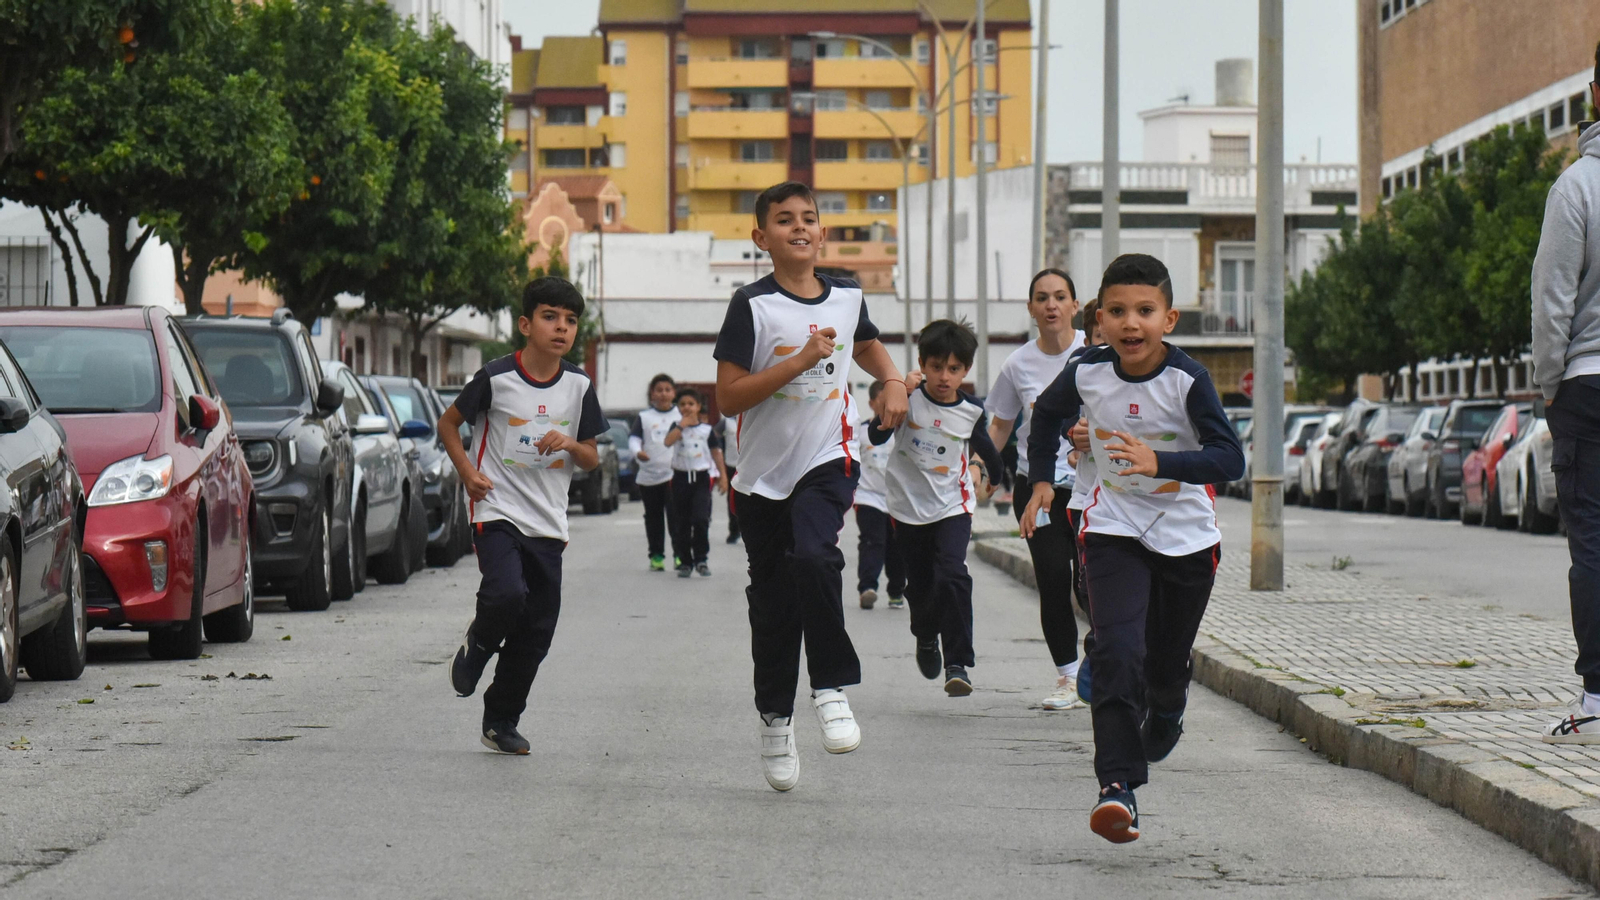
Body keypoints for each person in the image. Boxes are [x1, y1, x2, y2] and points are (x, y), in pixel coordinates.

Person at [1020, 254, 1244, 843]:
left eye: (1144, 311)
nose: (1130, 324)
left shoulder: (1188, 380)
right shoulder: (1088, 370)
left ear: (1167, 318)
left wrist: (1160, 461)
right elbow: (1045, 417)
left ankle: (1168, 709)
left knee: (1164, 664)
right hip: (1113, 527)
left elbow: (1230, 458)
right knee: (1118, 648)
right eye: (1117, 311)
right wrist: (1042, 478)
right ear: (1100, 316)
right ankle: (1116, 787)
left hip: (1187, 539)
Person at [714, 180, 910, 792]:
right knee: (772, 605)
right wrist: (797, 362)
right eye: (783, 219)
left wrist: (896, 382)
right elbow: (727, 396)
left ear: (822, 232)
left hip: (828, 456)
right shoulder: (752, 305)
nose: (799, 227)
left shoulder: (847, 296)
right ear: (761, 237)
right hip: (761, 477)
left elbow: (869, 346)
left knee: (816, 556)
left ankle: (830, 686)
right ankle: (775, 719)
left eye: (809, 218)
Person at [441, 276, 607, 755]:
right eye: (550, 317)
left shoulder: (578, 386)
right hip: (496, 508)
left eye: (570, 321)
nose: (561, 328)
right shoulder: (495, 378)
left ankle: (501, 720)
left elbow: (591, 457)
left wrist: (571, 443)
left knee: (536, 630)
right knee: (505, 593)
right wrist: (468, 472)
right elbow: (448, 423)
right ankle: (479, 642)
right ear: (526, 324)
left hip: (548, 523)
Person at [870, 320, 1003, 697]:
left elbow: (989, 451)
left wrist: (994, 476)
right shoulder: (907, 399)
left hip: (952, 505)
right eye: (936, 367)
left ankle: (957, 663)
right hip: (907, 508)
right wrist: (898, 393)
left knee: (951, 575)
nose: (945, 377)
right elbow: (874, 435)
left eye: (955, 369)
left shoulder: (970, 411)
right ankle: (926, 636)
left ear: (966, 369)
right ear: (922, 364)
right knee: (923, 586)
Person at [1534, 52, 1600, 744]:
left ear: (1594, 94)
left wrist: (1551, 387)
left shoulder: (1577, 186)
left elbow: (1552, 304)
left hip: (1587, 383)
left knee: (1594, 543)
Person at [986, 268, 1087, 711]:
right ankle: (1068, 678)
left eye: (1060, 296)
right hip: (1036, 487)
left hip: (1090, 488)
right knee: (1052, 579)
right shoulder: (1018, 365)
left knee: (1092, 584)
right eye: (1042, 298)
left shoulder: (1098, 353)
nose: (1051, 305)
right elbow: (1001, 426)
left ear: (1075, 306)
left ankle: (1104, 667)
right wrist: (979, 469)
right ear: (1030, 309)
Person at [663, 387, 728, 577]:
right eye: (682, 404)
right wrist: (682, 425)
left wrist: (723, 476)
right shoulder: (676, 426)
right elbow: (668, 442)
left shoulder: (707, 430)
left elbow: (716, 453)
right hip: (681, 478)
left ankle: (701, 559)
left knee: (700, 519)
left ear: (699, 406)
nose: (687, 407)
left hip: (700, 478)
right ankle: (685, 561)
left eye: (691, 404)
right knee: (682, 521)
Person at [854, 380, 906, 610]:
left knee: (897, 546)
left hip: (897, 500)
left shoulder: (902, 431)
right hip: (868, 497)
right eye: (883, 401)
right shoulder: (862, 431)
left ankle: (896, 590)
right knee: (872, 541)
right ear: (873, 403)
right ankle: (867, 587)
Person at [630, 374, 681, 571]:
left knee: (676, 516)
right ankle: (656, 555)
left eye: (667, 390)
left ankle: (680, 555)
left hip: (674, 476)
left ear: (673, 393)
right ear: (652, 393)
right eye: (659, 390)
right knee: (653, 517)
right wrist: (637, 452)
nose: (663, 394)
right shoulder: (644, 417)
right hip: (649, 476)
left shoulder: (680, 417)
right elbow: (634, 439)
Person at [722, 409, 742, 545]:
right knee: (732, 498)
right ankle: (734, 531)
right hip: (731, 464)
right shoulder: (726, 422)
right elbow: (715, 437)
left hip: (748, 463)